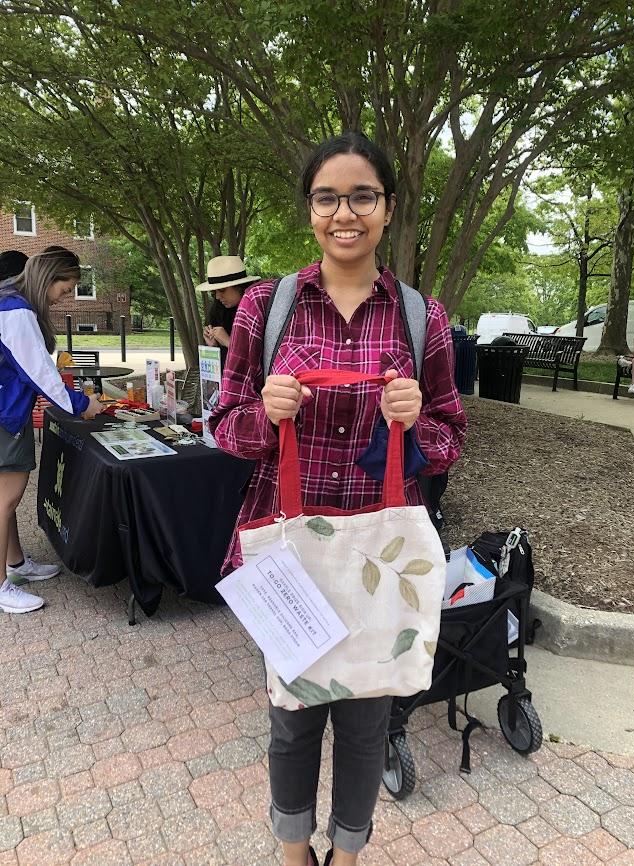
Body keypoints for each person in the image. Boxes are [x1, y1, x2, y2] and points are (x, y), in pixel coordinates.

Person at [210, 133, 467, 866]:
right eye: (327, 197)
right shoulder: (266, 308)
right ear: (309, 210)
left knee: (365, 725)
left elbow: (450, 439)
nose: (344, 212)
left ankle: (347, 854)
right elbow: (226, 428)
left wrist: (418, 418)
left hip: (378, 557)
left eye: (362, 196)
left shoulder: (422, 318)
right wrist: (268, 411)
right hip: (289, 551)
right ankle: (295, 855)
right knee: (292, 719)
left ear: (387, 209)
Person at [0, 247, 103, 615]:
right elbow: (41, 374)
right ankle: (2, 586)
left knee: (5, 498)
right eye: (65, 289)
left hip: (7, 410)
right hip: (5, 415)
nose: (63, 299)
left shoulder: (10, 300)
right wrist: (81, 404)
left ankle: (16, 563)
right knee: (7, 498)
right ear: (50, 277)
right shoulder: (17, 311)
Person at [196, 255, 260, 364]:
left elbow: (259, 359)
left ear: (240, 286)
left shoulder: (257, 309)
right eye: (214, 292)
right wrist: (213, 346)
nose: (217, 296)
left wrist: (229, 342)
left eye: (222, 290)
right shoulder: (217, 310)